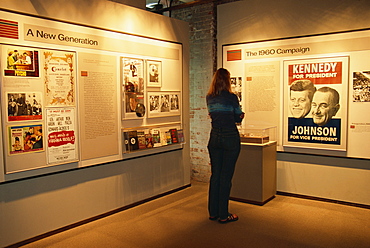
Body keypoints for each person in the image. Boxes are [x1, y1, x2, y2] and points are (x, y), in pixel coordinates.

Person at [206, 68, 244, 224]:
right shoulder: (231, 97)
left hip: (214, 138)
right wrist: (240, 115)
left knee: (215, 176)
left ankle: (213, 212)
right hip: (230, 138)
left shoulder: (209, 97)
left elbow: (213, 115)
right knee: (226, 177)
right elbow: (237, 117)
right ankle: (223, 214)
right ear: (228, 81)